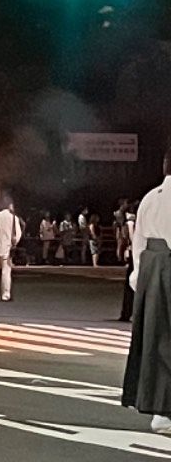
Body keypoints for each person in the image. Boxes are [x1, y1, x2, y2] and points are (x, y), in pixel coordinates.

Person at [124, 150, 171, 433]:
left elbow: (138, 242)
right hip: (167, 265)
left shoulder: (151, 197)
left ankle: (160, 411)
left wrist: (139, 275)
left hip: (151, 269)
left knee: (155, 342)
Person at [0, 198, 22, 302]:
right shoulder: (14, 218)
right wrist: (14, 244)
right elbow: (18, 234)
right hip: (7, 248)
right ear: (9, 206)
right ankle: (5, 295)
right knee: (6, 272)